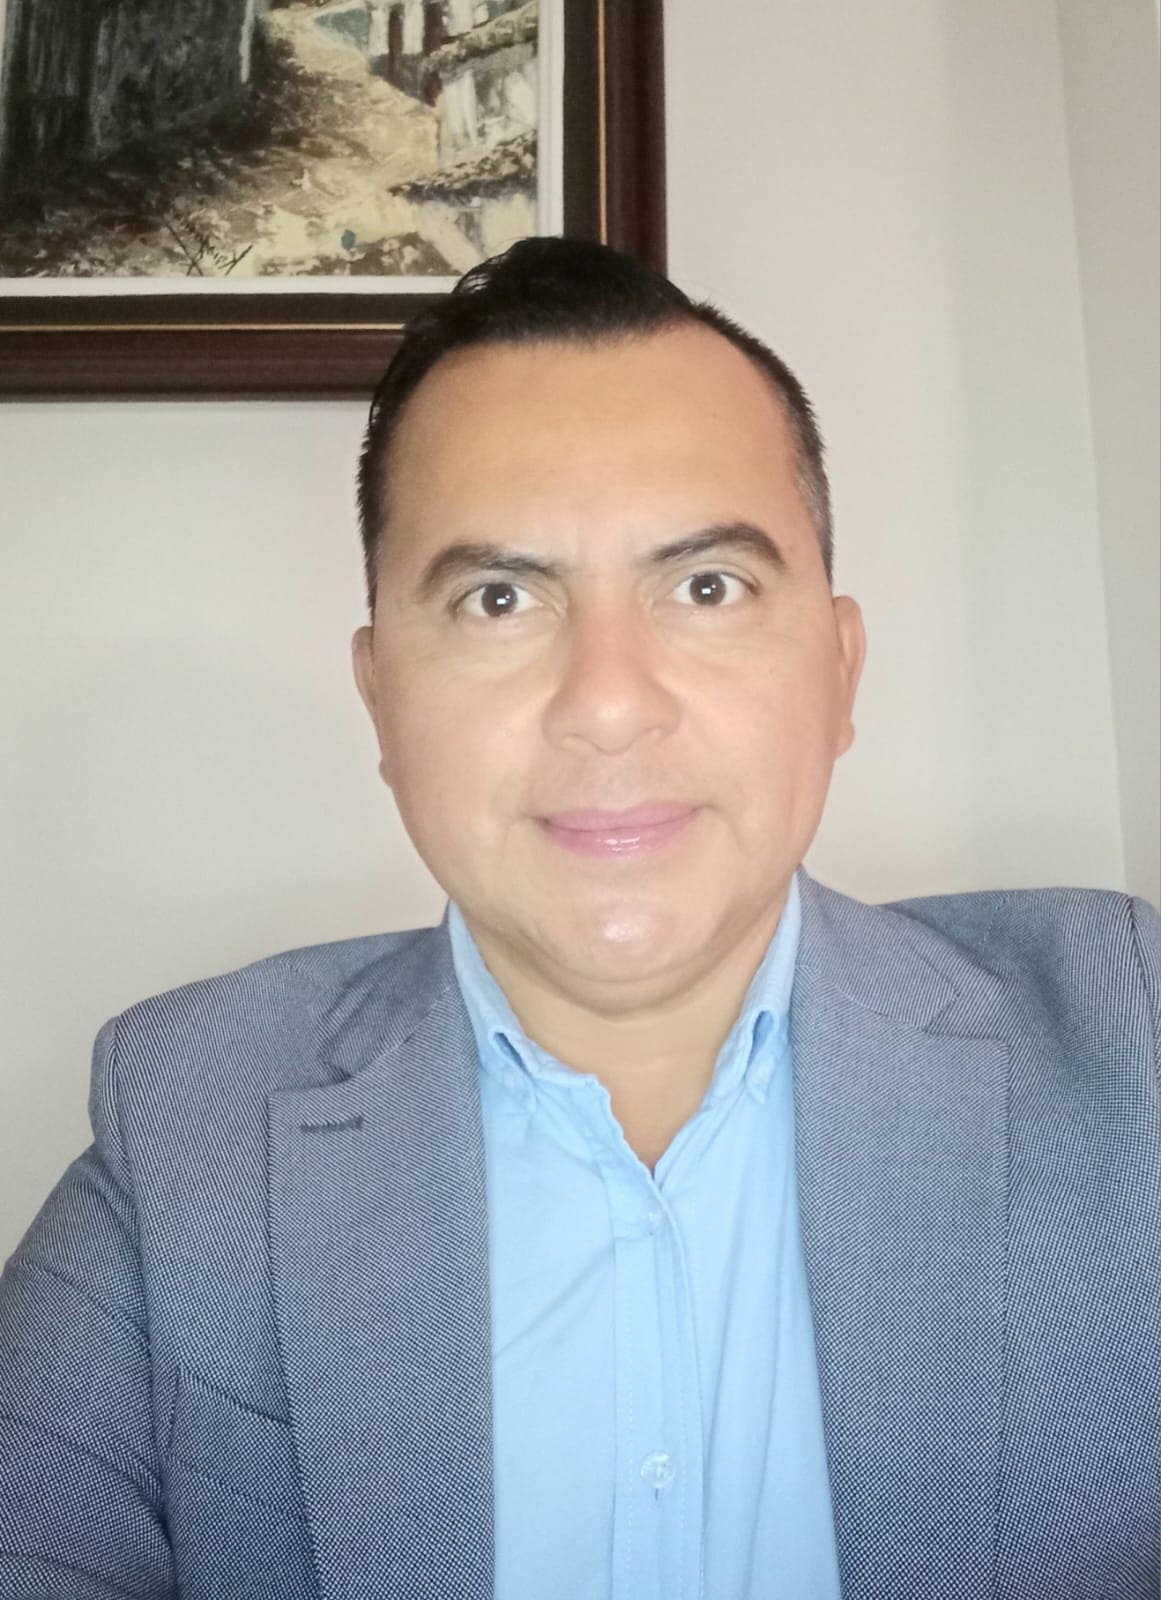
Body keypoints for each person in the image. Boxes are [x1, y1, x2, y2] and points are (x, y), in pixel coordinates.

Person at [0, 237, 1157, 1600]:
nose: (608, 702)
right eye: (499, 598)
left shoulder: (1126, 1039)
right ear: (380, 700)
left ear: (841, 671)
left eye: (707, 586)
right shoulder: (183, 1126)